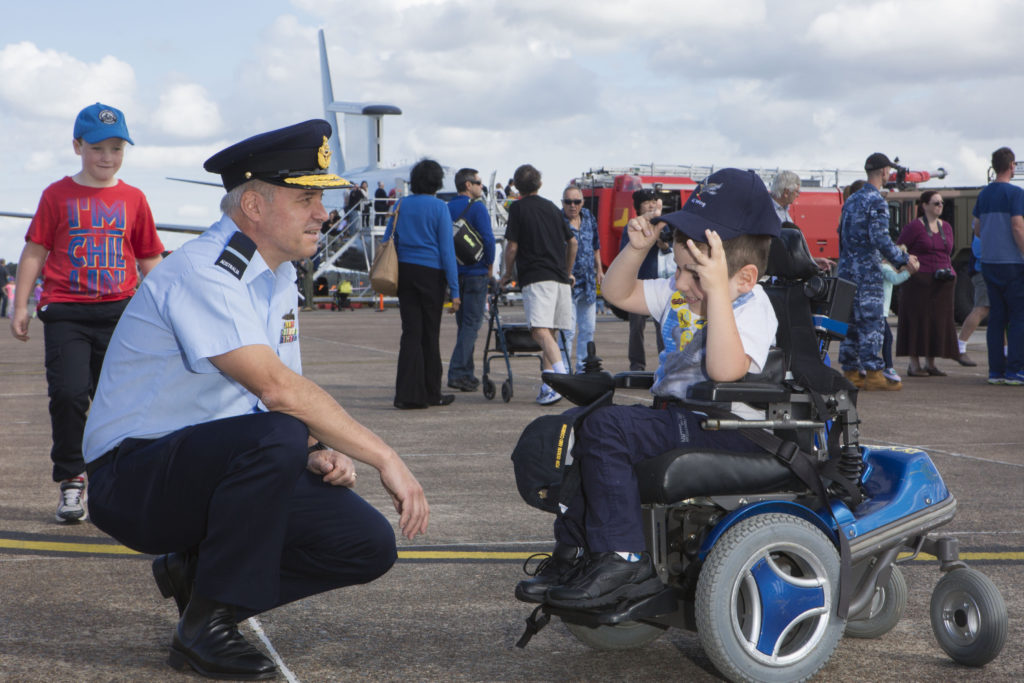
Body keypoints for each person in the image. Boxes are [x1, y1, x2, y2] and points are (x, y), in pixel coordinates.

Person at [81, 120, 429, 679]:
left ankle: (199, 583)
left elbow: (277, 399)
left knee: (365, 544)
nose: (322, 213)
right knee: (279, 434)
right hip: (132, 477)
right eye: (306, 199)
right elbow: (277, 391)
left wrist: (316, 450)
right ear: (253, 206)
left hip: (210, 465)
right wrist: (384, 457)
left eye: (320, 199)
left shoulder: (277, 276)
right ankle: (205, 629)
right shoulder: (204, 271)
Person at [516, 169, 780, 607]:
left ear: (744, 278)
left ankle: (624, 558)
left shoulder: (752, 306)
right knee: (574, 429)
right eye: (678, 269)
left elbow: (725, 370)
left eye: (694, 273)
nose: (680, 283)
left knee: (608, 429)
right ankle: (577, 551)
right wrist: (636, 250)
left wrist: (716, 292)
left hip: (728, 426)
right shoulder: (682, 294)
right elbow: (617, 293)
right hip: (679, 419)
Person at [9, 102, 164, 523]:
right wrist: (20, 304)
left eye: (116, 148)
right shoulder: (56, 195)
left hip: (120, 315)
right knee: (69, 395)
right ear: (78, 146)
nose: (107, 157)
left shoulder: (134, 198)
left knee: (124, 402)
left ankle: (122, 479)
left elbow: (149, 257)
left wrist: (172, 308)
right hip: (67, 313)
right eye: (97, 148)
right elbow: (35, 251)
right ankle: (72, 479)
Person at [836, 153, 919, 391]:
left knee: (850, 323)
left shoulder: (851, 200)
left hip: (847, 271)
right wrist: (903, 260)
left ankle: (851, 372)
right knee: (872, 323)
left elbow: (841, 233)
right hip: (867, 272)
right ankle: (873, 373)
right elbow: (880, 238)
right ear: (884, 172)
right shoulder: (877, 201)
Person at [385, 158, 461, 409]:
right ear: (437, 182)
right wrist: (455, 289)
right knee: (430, 334)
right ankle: (431, 392)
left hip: (405, 272)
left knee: (410, 333)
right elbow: (447, 251)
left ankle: (406, 395)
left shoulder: (401, 204)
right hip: (431, 274)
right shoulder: (440, 207)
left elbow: (388, 239)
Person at [501, 164, 577, 405]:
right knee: (550, 333)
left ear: (516, 186)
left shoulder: (517, 208)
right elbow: (573, 242)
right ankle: (549, 385)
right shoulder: (553, 208)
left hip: (537, 277)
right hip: (559, 279)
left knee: (539, 331)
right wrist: (567, 271)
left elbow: (512, 246)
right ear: (540, 184)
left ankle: (562, 378)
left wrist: (507, 273)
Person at [973, 146, 1024, 385]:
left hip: (989, 262)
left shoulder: (984, 195)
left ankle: (996, 371)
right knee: (1019, 316)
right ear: (1011, 166)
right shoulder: (1016, 194)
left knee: (996, 318)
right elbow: (1017, 226)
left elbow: (977, 229)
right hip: (1013, 263)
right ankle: (1016, 370)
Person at [896, 191, 961, 376]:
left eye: (941, 203)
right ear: (924, 205)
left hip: (942, 283)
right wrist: (908, 265)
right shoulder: (914, 227)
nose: (940, 206)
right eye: (936, 203)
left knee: (935, 323)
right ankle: (914, 364)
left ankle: (930, 363)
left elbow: (948, 252)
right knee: (917, 322)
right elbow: (899, 249)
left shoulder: (946, 227)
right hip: (919, 283)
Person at [446, 168, 495, 392]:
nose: (481, 187)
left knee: (463, 326)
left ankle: (467, 373)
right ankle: (457, 372)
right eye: (478, 183)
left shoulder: (447, 208)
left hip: (456, 274)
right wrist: (490, 264)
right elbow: (488, 239)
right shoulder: (477, 207)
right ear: (468, 185)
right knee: (472, 325)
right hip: (476, 273)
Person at [619, 189, 667, 371]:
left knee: (663, 328)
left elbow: (668, 248)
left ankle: (666, 363)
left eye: (654, 201)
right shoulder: (632, 226)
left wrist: (663, 244)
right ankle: (637, 366)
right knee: (636, 329)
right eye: (647, 202)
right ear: (638, 207)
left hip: (660, 283)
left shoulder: (662, 224)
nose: (651, 205)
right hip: (637, 283)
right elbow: (624, 251)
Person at [561, 185, 603, 372]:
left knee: (588, 328)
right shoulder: (558, 220)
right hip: (567, 283)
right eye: (568, 202)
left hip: (588, 282)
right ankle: (563, 369)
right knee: (567, 330)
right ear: (562, 203)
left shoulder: (588, 217)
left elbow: (596, 246)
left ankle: (583, 368)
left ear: (582, 202)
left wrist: (599, 269)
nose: (572, 205)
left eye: (576, 201)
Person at [956, 235, 986, 366]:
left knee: (999, 313)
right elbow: (978, 248)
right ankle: (960, 347)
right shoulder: (985, 225)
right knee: (982, 308)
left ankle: (1005, 351)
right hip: (984, 270)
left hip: (990, 269)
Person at [880, 257, 911, 382]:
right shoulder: (885, 268)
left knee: (879, 339)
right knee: (887, 338)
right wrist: (909, 272)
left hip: (878, 311)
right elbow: (895, 279)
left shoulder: (880, 267)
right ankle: (888, 367)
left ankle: (863, 366)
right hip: (880, 312)